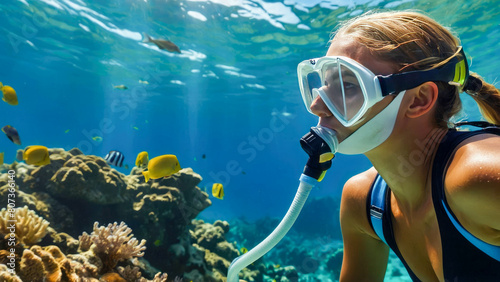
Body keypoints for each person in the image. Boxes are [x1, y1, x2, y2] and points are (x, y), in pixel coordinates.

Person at [296, 10, 500, 281]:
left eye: (347, 86)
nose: (317, 104)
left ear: (419, 99)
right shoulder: (363, 203)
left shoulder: (477, 177)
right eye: (323, 85)